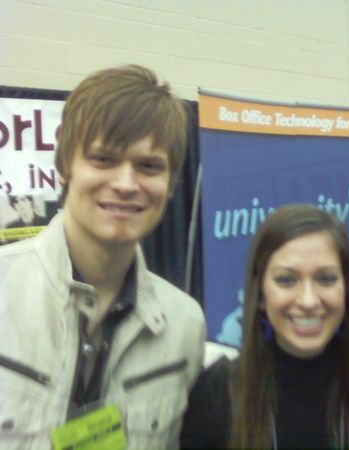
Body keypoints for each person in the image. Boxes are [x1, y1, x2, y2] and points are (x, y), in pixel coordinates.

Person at [0, 65, 205, 449]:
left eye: (149, 166)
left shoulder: (184, 326)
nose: (126, 184)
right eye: (104, 159)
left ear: (170, 184)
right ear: (65, 167)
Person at [181, 204, 349, 449]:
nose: (308, 301)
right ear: (260, 295)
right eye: (286, 280)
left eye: (326, 279)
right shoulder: (216, 394)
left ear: (347, 289)